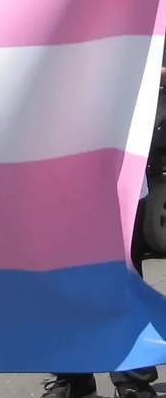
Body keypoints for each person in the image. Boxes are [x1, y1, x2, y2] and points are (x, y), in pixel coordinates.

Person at [40, 68, 166, 398]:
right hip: (52, 160)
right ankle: (73, 377)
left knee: (121, 277)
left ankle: (133, 378)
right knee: (60, 279)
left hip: (116, 159)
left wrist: (150, 66)